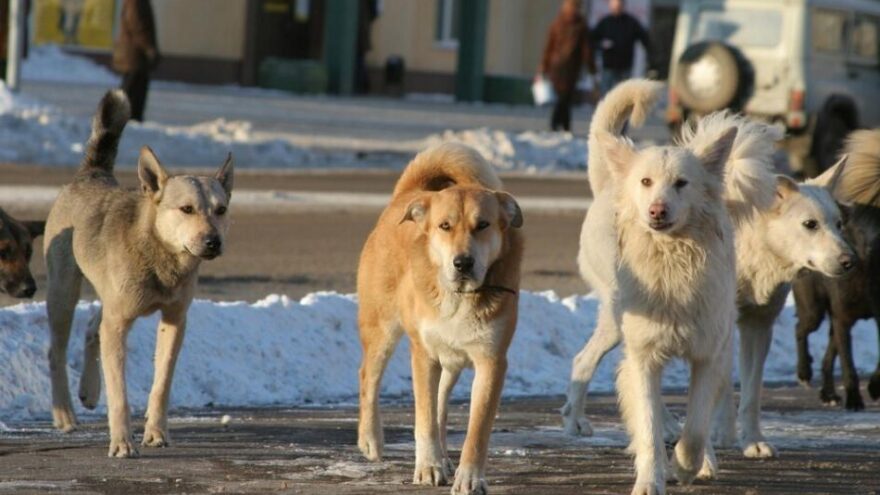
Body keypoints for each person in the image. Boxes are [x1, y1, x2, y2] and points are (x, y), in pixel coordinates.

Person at [539, 0, 596, 132]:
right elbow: (549, 46)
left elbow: (585, 49)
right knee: (563, 97)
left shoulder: (580, 26)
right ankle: (560, 124)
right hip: (558, 67)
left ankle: (561, 124)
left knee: (566, 97)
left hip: (569, 68)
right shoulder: (558, 23)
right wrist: (543, 65)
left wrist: (591, 67)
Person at [591, 0, 652, 95]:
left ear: (623, 5)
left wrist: (651, 56)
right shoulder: (605, 22)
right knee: (606, 96)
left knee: (623, 96)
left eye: (619, 4)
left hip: (625, 67)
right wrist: (601, 46)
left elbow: (645, 38)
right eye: (614, 5)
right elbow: (593, 40)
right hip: (608, 67)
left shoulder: (631, 22)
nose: (617, 7)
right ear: (610, 5)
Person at [113, 0, 159, 122]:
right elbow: (138, 25)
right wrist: (149, 47)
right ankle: (123, 121)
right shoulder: (137, 2)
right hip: (135, 54)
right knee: (132, 90)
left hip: (135, 54)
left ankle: (126, 120)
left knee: (132, 89)